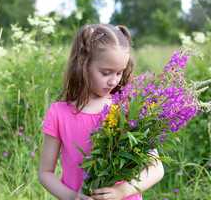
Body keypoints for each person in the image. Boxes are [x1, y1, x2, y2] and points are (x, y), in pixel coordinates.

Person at [38, 24, 164, 200]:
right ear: (83, 64)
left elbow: (156, 169)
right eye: (106, 73)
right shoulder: (59, 113)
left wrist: (122, 192)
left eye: (120, 72)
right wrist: (72, 197)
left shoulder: (127, 108)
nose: (114, 81)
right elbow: (45, 173)